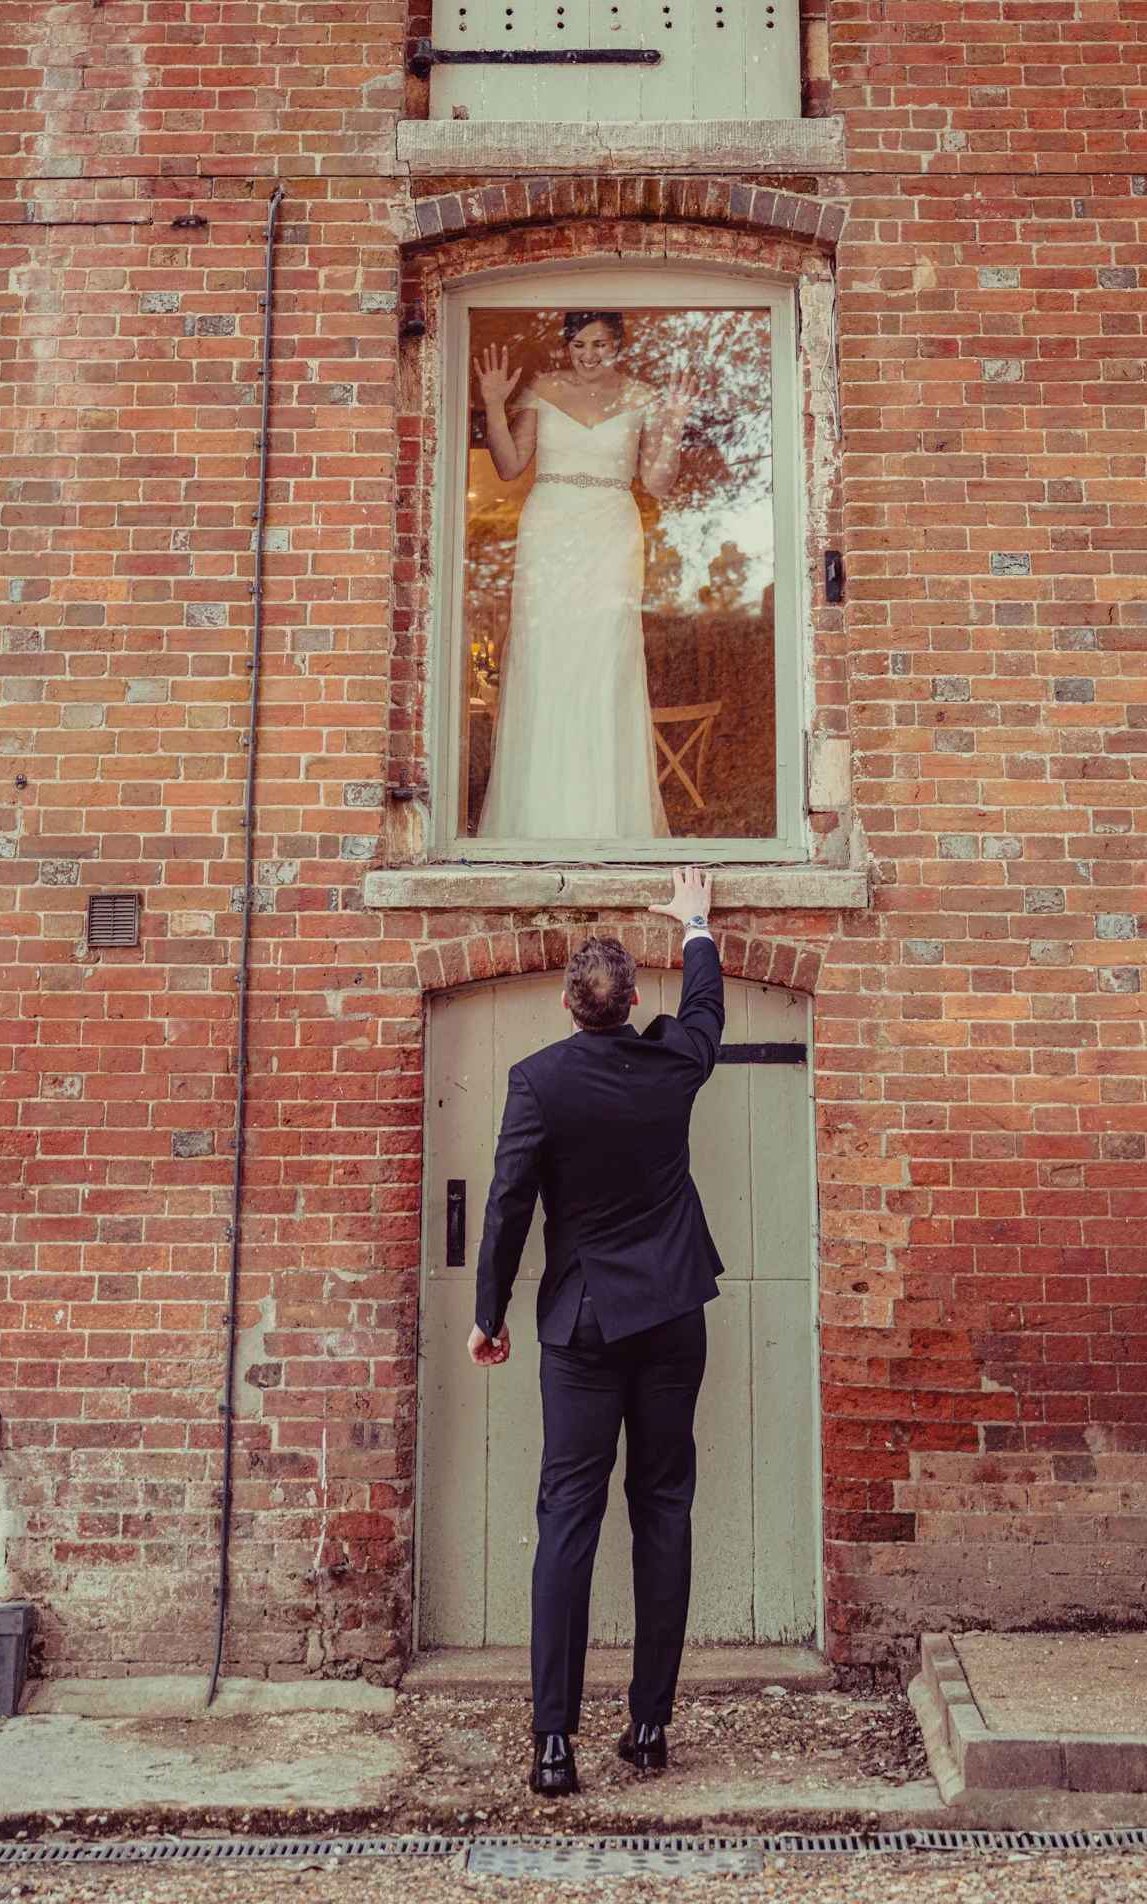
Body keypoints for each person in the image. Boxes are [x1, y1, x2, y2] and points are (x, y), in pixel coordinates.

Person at [468, 867, 724, 1796]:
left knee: (567, 1521)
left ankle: (553, 1746)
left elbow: (507, 1205)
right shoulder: (674, 1064)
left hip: (580, 1329)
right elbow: (705, 1014)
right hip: (671, 1320)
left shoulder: (539, 1080)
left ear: (569, 1005)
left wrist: (490, 1314)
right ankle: (650, 1728)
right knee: (663, 1510)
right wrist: (696, 923)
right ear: (631, 1003)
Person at [472, 312, 701, 841]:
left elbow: (659, 484)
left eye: (599, 344)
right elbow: (509, 467)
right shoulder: (543, 387)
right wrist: (491, 402)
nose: (589, 355)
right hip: (549, 528)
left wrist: (676, 422)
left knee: (605, 661)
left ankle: (607, 822)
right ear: (566, 346)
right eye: (578, 345)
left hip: (610, 531)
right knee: (546, 660)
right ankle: (537, 822)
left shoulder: (641, 396)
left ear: (618, 344)